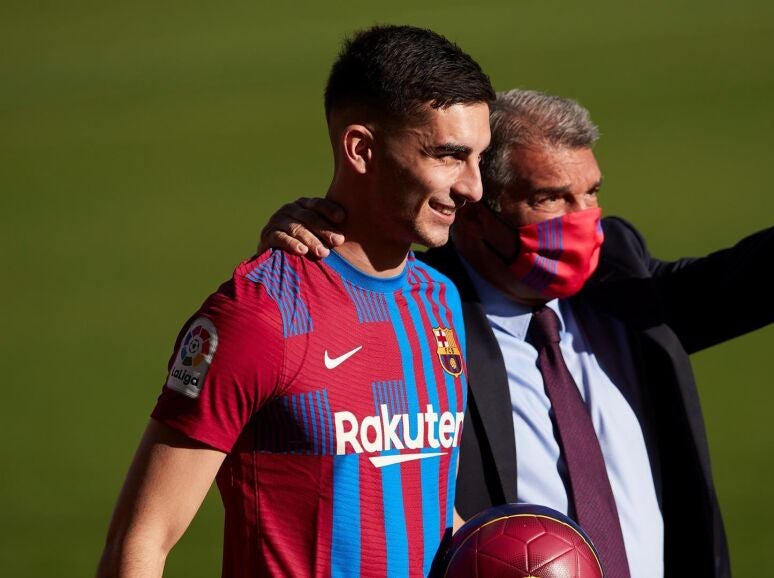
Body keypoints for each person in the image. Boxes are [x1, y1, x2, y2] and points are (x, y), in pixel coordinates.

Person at [260, 90, 774, 577]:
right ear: (475, 210)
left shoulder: (617, 275)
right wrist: (303, 244)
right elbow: (328, 350)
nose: (584, 221)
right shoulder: (421, 313)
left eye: (591, 193)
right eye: (550, 198)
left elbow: (729, 287)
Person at [97, 25, 494, 577]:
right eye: (449, 156)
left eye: (478, 158)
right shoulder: (260, 316)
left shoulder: (439, 301)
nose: (473, 187)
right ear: (361, 149)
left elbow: (418, 500)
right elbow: (140, 541)